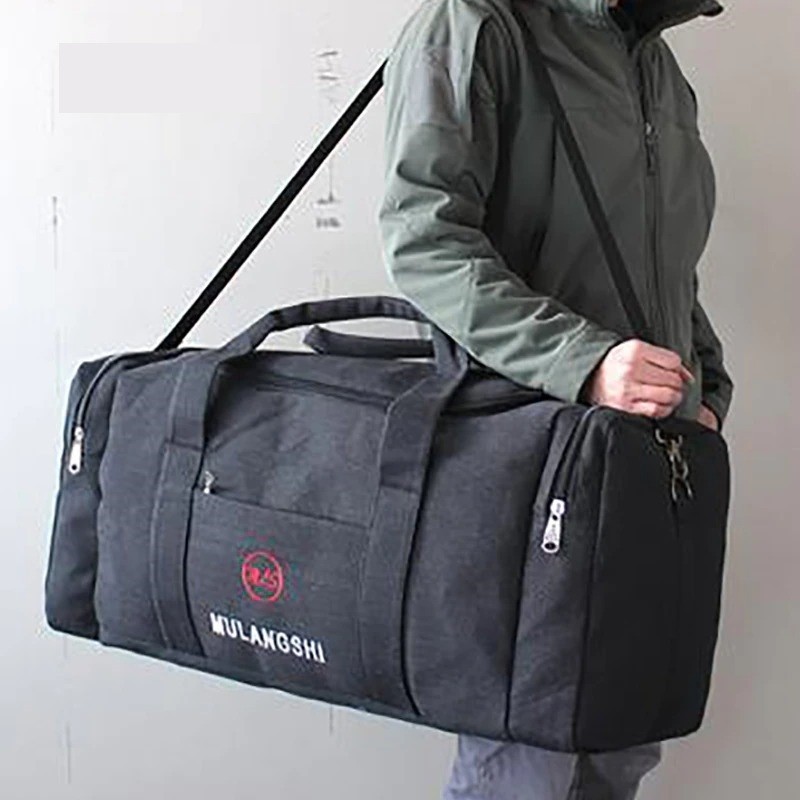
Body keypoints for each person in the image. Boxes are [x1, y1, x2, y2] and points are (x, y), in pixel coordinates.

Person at [378, 0, 734, 797]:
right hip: (531, 469)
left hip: (648, 474)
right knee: (529, 760)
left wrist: (705, 389)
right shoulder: (477, 25)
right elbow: (424, 241)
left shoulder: (657, 68)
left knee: (620, 742)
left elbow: (665, 268)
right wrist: (586, 363)